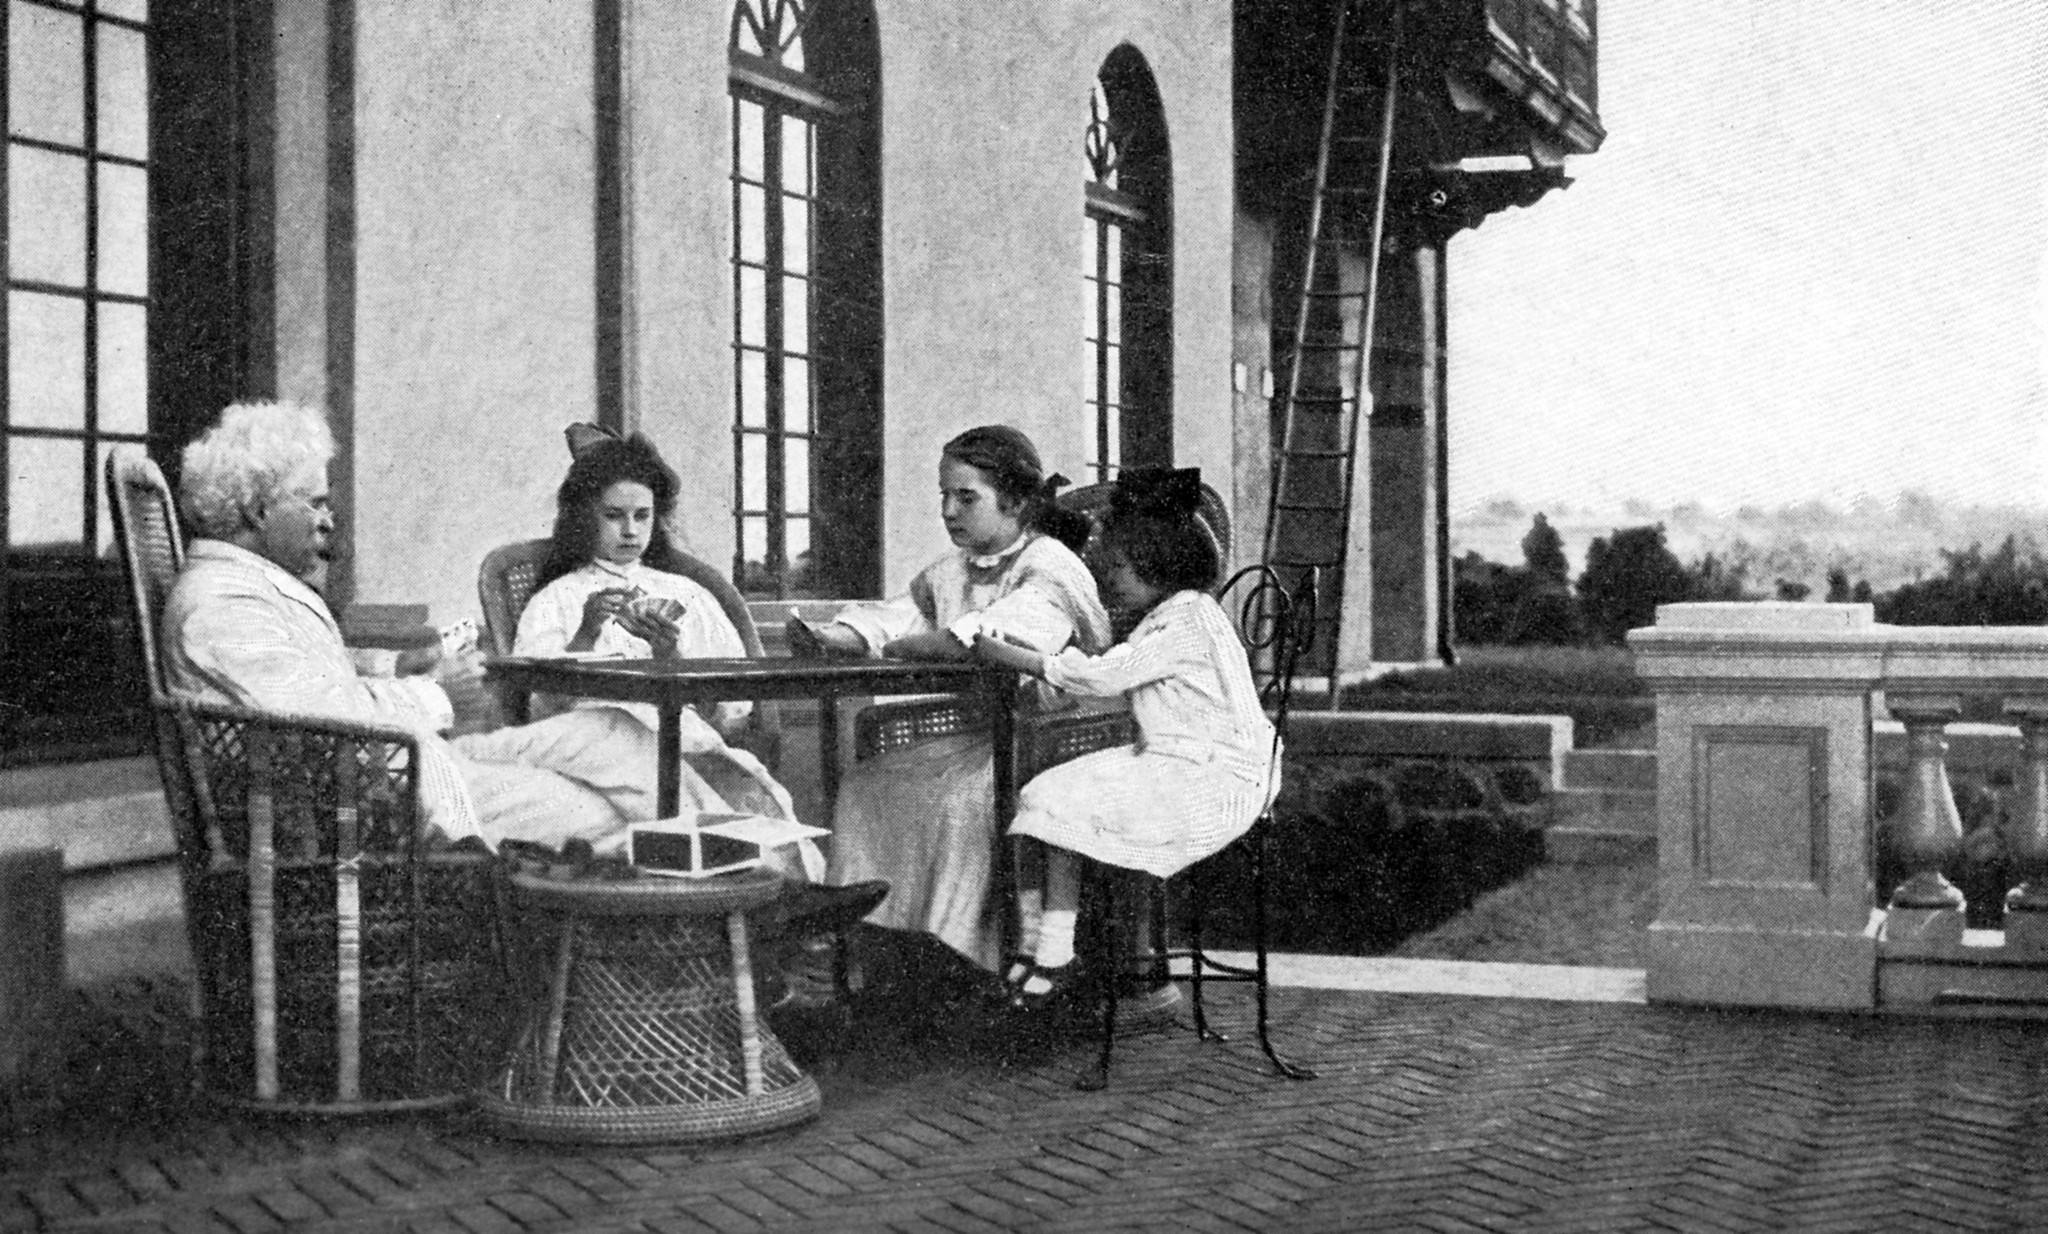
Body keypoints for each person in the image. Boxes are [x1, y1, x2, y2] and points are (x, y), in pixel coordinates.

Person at [788, 425, 1114, 977]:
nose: (949, 510)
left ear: (1013, 500)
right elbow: (898, 617)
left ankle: (967, 955)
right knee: (866, 786)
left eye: (966, 497)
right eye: (944, 495)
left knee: (963, 803)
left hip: (1059, 738)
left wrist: (912, 645)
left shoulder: (1050, 567)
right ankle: (875, 945)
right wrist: (835, 636)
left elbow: (986, 642)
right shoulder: (951, 570)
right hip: (985, 736)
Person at [969, 467, 1277, 1009]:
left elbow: (1105, 678)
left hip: (1216, 775)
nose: (1110, 578)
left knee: (1065, 804)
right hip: (1174, 759)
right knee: (1038, 794)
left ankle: (1057, 954)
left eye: (1119, 567)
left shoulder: (1189, 618)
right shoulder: (1164, 618)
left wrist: (1014, 655)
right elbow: (1119, 677)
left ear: (1162, 563)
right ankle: (1038, 943)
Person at [488, 424, 819, 879]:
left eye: (642, 516)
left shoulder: (689, 593)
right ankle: (780, 894)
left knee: (740, 785)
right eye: (613, 516)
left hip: (684, 741)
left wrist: (671, 657)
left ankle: (788, 892)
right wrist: (586, 632)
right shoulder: (556, 599)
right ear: (584, 517)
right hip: (594, 749)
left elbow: (728, 712)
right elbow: (539, 709)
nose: (629, 530)